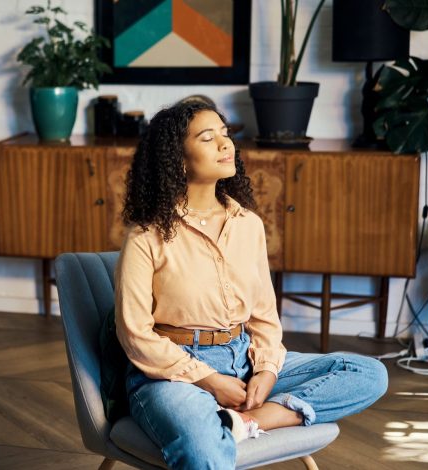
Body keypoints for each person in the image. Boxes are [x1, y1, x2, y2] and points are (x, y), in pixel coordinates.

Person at [115, 99, 388, 469]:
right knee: (201, 446)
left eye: (225, 136)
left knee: (368, 373)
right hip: (172, 373)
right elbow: (135, 334)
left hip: (244, 358)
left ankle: (247, 423)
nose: (226, 145)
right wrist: (209, 380)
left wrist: (267, 370)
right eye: (208, 138)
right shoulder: (146, 236)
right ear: (177, 158)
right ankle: (233, 422)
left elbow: (263, 316)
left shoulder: (248, 224)